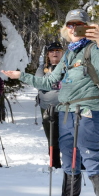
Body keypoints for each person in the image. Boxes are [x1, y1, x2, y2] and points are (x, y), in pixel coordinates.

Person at [2, 8, 99, 196]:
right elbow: (49, 82)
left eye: (79, 24)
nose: (74, 28)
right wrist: (22, 76)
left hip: (87, 111)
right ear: (66, 29)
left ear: (87, 28)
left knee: (92, 160)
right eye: (70, 25)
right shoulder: (68, 54)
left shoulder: (93, 49)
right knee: (69, 162)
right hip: (65, 113)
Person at [35, 41, 64, 169]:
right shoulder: (42, 68)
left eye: (58, 50)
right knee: (51, 136)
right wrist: (57, 84)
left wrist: (49, 83)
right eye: (52, 51)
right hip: (47, 107)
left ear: (62, 53)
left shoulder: (67, 67)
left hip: (66, 106)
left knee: (69, 135)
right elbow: (39, 83)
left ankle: (74, 162)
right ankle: (55, 163)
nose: (55, 53)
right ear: (48, 54)